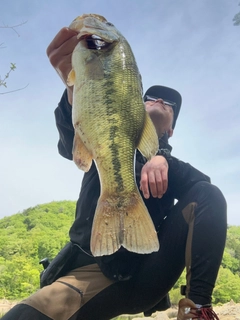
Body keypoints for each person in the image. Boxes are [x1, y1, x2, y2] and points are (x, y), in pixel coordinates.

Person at [1, 27, 227, 320]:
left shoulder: (175, 168)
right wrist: (74, 87)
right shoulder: (104, 134)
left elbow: (206, 197)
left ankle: (198, 309)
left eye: (169, 104)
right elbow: (72, 140)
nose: (159, 101)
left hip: (147, 273)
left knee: (208, 194)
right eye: (151, 97)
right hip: (89, 268)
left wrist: (162, 159)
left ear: (170, 129)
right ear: (134, 106)